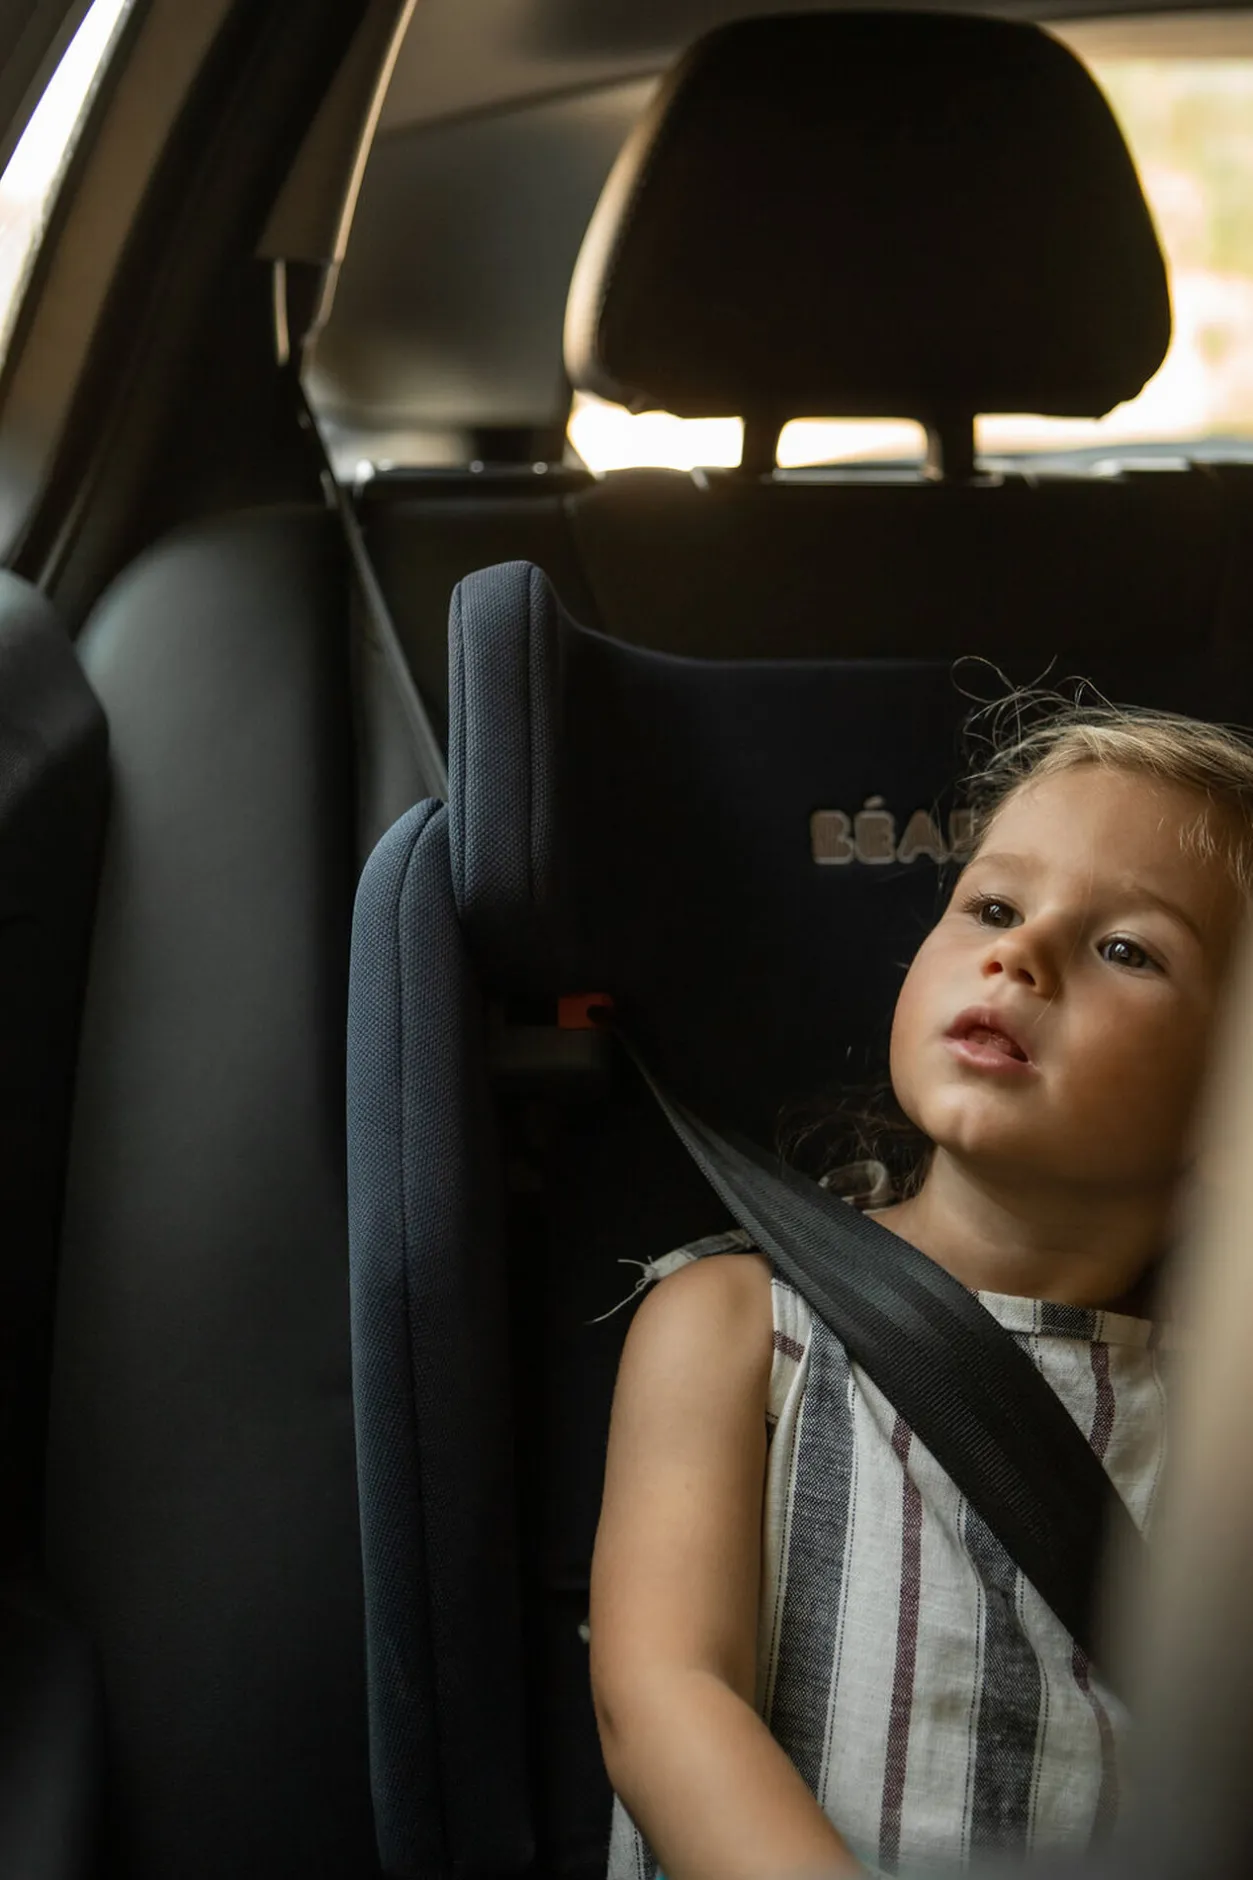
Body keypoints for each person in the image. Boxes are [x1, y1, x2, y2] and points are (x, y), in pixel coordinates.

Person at [589, 700, 1253, 1880]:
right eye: (992, 907)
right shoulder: (733, 1322)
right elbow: (663, 1694)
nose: (1019, 952)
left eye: (1125, 949)